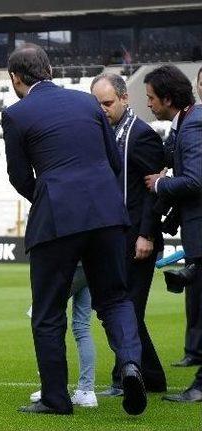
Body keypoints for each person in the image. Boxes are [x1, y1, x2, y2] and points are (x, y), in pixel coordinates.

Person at [2, 43, 145, 416]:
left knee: (48, 311)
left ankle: (56, 398)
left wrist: (49, 197)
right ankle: (130, 364)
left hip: (58, 219)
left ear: (15, 78)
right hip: (107, 213)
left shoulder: (16, 114)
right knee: (115, 298)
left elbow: (19, 177)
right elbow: (113, 160)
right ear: (49, 69)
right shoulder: (87, 102)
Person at [90, 73, 167, 396]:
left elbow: (154, 191)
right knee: (117, 308)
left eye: (108, 103)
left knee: (128, 309)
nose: (103, 109)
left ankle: (127, 375)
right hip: (113, 238)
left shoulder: (142, 135)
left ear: (125, 98)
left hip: (137, 238)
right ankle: (148, 375)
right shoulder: (104, 134)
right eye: (97, 104)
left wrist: (147, 234)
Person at [143, 65, 202, 402]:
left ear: (167, 98)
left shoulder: (193, 125)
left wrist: (160, 183)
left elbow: (195, 180)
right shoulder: (184, 123)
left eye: (151, 97)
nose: (149, 103)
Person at [30, 267, 98, 408]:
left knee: (44, 317)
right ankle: (86, 391)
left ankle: (52, 388)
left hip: (70, 264)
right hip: (91, 266)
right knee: (82, 327)